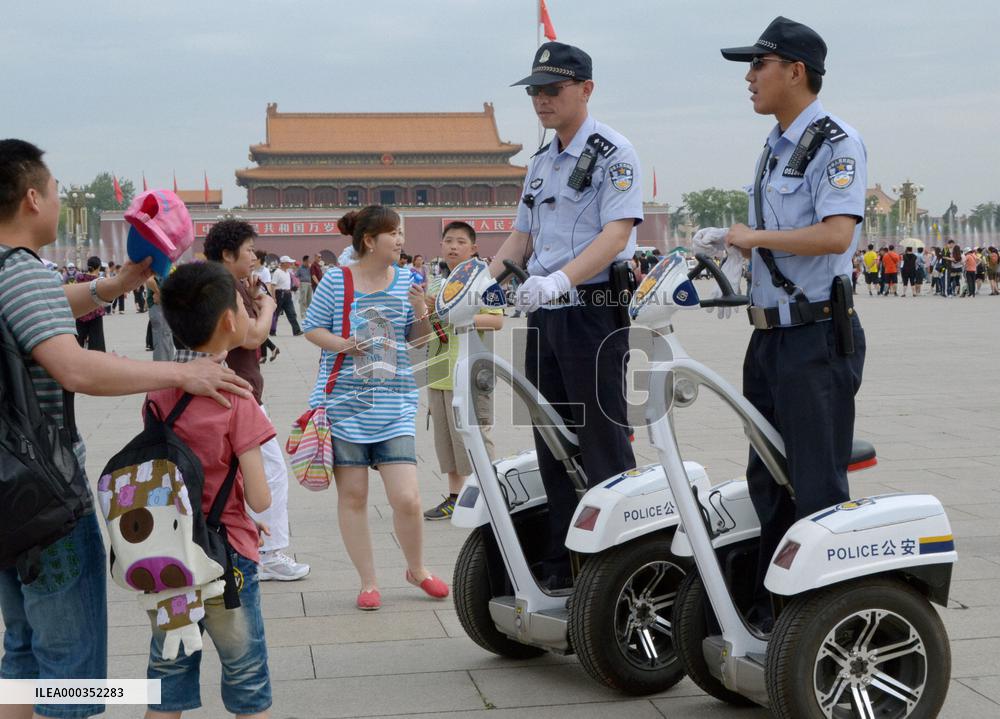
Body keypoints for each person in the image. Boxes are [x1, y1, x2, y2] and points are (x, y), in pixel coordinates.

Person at [0, 138, 251, 719]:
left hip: (8, 489)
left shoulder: (10, 273)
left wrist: (110, 287)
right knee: (69, 669)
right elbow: (75, 367)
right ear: (33, 197)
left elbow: (33, 309)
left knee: (21, 652)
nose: (60, 198)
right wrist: (177, 373)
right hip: (44, 497)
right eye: (57, 189)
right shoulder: (26, 273)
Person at [718, 17, 867, 629]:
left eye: (759, 65)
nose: (750, 78)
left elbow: (837, 233)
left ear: (795, 71)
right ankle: (776, 612)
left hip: (815, 336)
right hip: (770, 336)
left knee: (815, 484)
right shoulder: (774, 146)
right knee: (767, 479)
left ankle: (825, 619)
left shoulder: (835, 142)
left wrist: (755, 236)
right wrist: (737, 252)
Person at [488, 41, 642, 586]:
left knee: (600, 438)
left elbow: (617, 233)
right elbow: (520, 237)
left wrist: (558, 279)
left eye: (552, 89)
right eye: (535, 91)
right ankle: (563, 560)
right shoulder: (541, 162)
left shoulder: (613, 152)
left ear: (585, 89)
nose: (541, 100)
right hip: (545, 314)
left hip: (592, 312)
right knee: (549, 437)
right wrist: (482, 287)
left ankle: (618, 563)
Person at [145, 261, 275, 718]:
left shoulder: (160, 392)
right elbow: (260, 497)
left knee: (167, 678)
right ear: (229, 321)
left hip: (170, 555)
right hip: (227, 556)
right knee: (246, 679)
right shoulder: (237, 396)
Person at [303, 205, 447, 610]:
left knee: (408, 498)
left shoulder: (407, 281)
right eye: (394, 233)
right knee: (353, 497)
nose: (401, 240)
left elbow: (418, 341)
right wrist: (345, 345)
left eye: (401, 233)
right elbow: (311, 328)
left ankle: (417, 569)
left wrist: (422, 312)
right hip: (345, 403)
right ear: (369, 240)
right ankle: (368, 582)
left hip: (395, 400)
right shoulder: (336, 281)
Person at [204, 220, 310, 581]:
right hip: (240, 393)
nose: (254, 256)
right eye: (248, 250)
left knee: (241, 474)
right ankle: (269, 552)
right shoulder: (222, 286)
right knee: (272, 473)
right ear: (227, 253)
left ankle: (247, 545)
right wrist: (267, 305)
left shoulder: (222, 283)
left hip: (235, 388)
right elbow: (250, 338)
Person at [422, 221, 504, 520]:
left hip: (470, 369)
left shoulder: (485, 282)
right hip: (441, 370)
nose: (453, 247)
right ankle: (456, 496)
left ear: (473, 248)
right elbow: (427, 328)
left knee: (475, 434)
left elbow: (496, 320)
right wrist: (425, 306)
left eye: (460, 241)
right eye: (448, 241)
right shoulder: (437, 284)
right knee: (446, 438)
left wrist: (461, 317)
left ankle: (488, 493)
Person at [72, 255, 107, 351]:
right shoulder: (100, 280)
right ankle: (96, 361)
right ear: (99, 267)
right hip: (96, 313)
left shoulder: (79, 277)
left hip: (81, 313)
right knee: (97, 341)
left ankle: (76, 357)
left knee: (78, 340)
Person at [271, 255, 302, 336]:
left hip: (288, 295)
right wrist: (273, 297)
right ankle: (272, 330)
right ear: (284, 263)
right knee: (276, 314)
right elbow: (273, 285)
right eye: (289, 262)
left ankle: (297, 330)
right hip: (279, 294)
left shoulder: (287, 272)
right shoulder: (277, 272)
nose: (290, 264)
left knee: (291, 313)